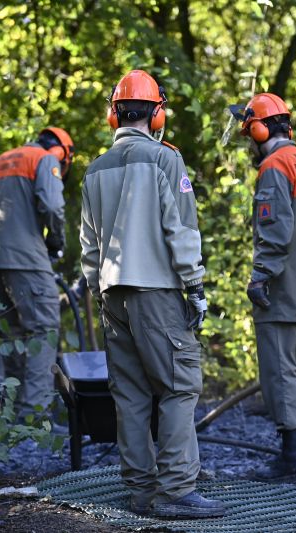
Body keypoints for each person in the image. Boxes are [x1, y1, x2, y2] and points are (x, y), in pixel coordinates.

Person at [80, 69, 224, 519]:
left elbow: (89, 247)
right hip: (157, 292)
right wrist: (195, 284)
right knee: (181, 387)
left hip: (111, 295)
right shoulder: (166, 160)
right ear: (157, 114)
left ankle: (142, 490)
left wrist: (98, 288)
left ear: (113, 114)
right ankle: (176, 491)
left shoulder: (95, 169)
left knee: (131, 394)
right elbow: (179, 228)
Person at [230, 93, 296, 484]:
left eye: (249, 134)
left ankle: (294, 459)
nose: (250, 145)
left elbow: (274, 232)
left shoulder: (275, 167)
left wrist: (260, 276)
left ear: (259, 129)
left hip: (283, 289)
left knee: (280, 372)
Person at [0, 126, 73, 412]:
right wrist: (54, 243)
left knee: (10, 332)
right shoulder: (45, 159)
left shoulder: (1, 161)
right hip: (28, 261)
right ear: (61, 153)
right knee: (44, 330)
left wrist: (3, 236)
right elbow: (53, 207)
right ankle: (33, 414)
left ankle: (6, 411)